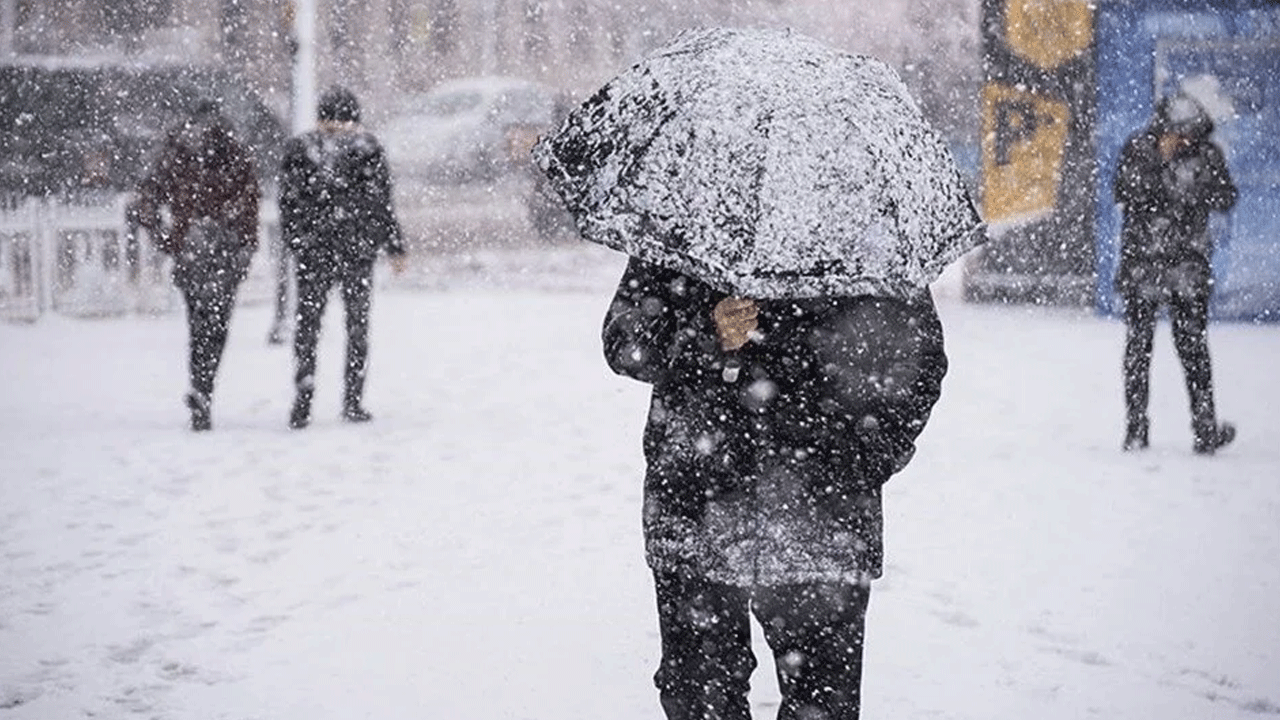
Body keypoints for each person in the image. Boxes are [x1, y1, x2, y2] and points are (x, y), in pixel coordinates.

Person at [602, 257, 948, 720]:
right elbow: (625, 342)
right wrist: (705, 331)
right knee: (700, 699)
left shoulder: (865, 240)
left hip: (822, 518)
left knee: (822, 704)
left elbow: (919, 360)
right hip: (698, 507)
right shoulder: (687, 229)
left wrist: (862, 459)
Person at [1113, 92, 1238, 455]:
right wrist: (1161, 165)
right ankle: (1136, 429)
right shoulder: (1139, 149)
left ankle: (1204, 429)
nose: (1184, 140)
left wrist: (1193, 186)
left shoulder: (1207, 154)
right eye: (1178, 133)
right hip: (1144, 265)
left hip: (1187, 265)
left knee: (1193, 349)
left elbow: (1226, 197)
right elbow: (1124, 191)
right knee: (1139, 349)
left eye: (1189, 134)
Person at [278, 86, 406, 429]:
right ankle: (353, 399)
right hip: (356, 251)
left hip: (314, 252)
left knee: (308, 325)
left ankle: (304, 392)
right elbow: (381, 203)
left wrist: (298, 241)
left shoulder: (301, 148)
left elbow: (288, 202)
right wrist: (394, 246)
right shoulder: (366, 148)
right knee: (357, 326)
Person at [134, 98, 260, 431]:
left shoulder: (176, 152)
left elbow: (146, 200)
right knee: (217, 326)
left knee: (199, 323)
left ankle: (200, 386)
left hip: (191, 247)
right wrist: (246, 246)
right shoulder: (234, 152)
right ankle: (205, 387)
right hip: (226, 248)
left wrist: (167, 238)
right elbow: (250, 204)